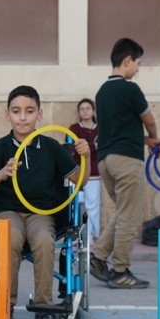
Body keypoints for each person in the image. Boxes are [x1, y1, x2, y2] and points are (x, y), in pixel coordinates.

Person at [0, 85, 90, 319]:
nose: (22, 117)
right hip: (5, 211)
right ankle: (5, 308)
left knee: (43, 239)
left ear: (39, 114)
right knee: (11, 236)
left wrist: (87, 155)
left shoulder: (51, 147)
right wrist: (0, 174)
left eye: (29, 111)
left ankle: (43, 309)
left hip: (42, 212)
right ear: (7, 114)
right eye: (16, 111)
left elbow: (80, 181)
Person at [89, 38, 160, 289]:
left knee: (122, 212)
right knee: (130, 217)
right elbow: (149, 120)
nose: (138, 69)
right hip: (127, 161)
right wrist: (153, 138)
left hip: (106, 161)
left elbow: (118, 131)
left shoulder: (101, 92)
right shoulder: (130, 89)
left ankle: (98, 258)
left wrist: (145, 141)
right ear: (128, 60)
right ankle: (120, 270)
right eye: (138, 63)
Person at [69, 98, 101, 241]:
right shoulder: (74, 128)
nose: (85, 111)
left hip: (94, 173)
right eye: (82, 109)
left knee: (93, 206)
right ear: (79, 112)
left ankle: (92, 237)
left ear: (93, 110)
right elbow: (74, 148)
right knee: (77, 205)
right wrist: (93, 146)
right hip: (76, 172)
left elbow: (103, 145)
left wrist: (87, 147)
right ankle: (79, 237)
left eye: (88, 108)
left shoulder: (100, 128)